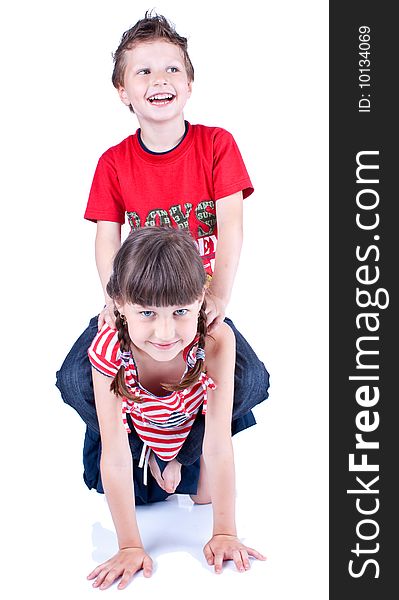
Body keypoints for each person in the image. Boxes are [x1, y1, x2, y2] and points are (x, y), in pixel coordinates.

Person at [56, 11, 269, 497]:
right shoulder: (113, 162)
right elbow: (106, 238)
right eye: (143, 71)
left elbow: (232, 225)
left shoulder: (217, 145)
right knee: (73, 378)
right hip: (141, 306)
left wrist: (219, 296)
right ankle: (130, 441)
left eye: (172, 68)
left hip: (192, 308)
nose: (160, 80)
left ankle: (183, 454)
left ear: (190, 84)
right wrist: (115, 301)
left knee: (252, 380)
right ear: (123, 92)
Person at [84, 227, 266, 588]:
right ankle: (152, 455)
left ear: (201, 299)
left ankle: (176, 458)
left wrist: (226, 531)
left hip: (187, 433)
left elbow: (217, 442)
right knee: (137, 498)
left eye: (181, 311)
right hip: (135, 438)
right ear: (118, 302)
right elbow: (115, 455)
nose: (166, 333)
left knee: (205, 498)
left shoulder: (215, 341)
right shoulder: (108, 350)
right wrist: (130, 545)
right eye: (147, 313)